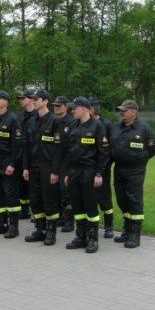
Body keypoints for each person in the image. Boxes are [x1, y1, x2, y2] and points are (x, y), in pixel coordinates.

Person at [62, 97, 110, 253]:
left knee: (90, 206)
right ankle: (80, 237)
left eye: (75, 108)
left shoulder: (98, 126)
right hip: (74, 172)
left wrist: (99, 173)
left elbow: (104, 153)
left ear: (84, 109)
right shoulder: (73, 126)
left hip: (89, 171)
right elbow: (69, 152)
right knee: (77, 206)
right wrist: (68, 173)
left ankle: (92, 239)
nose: (72, 111)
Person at [110, 100, 155, 248]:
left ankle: (135, 234)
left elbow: (154, 148)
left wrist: (141, 159)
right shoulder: (115, 127)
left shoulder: (143, 128)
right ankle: (126, 230)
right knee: (122, 199)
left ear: (134, 112)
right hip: (119, 168)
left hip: (135, 170)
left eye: (124, 110)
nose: (121, 113)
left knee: (134, 200)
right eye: (121, 110)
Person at [22, 89, 64, 245]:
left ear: (45, 101)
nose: (33, 101)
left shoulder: (55, 121)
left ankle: (51, 232)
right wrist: (25, 167)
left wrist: (55, 171)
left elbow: (59, 149)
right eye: (32, 98)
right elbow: (26, 146)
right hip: (33, 166)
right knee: (35, 199)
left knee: (49, 200)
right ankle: (39, 230)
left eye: (36, 98)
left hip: (48, 167)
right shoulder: (32, 120)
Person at [0, 91, 24, 239]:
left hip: (7, 161)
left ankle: (13, 226)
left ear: (6, 102)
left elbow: (18, 145)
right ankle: (1, 223)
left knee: (10, 194)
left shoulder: (13, 119)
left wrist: (12, 164)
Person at [90, 98, 115, 238]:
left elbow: (110, 148)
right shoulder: (84, 123)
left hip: (102, 167)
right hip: (88, 167)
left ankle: (109, 226)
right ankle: (91, 225)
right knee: (90, 196)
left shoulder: (106, 124)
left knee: (104, 197)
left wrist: (105, 165)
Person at [53, 96, 75, 232]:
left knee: (66, 192)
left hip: (66, 162)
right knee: (55, 191)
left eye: (59, 106)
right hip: (54, 161)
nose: (56, 108)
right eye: (55, 105)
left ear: (66, 107)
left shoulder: (71, 123)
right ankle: (60, 217)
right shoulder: (53, 121)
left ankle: (69, 220)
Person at [17, 89, 37, 219]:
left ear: (30, 99)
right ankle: (24, 210)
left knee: (34, 185)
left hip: (33, 154)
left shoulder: (38, 116)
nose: (20, 100)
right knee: (22, 183)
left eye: (23, 98)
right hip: (21, 153)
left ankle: (36, 211)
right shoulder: (20, 116)